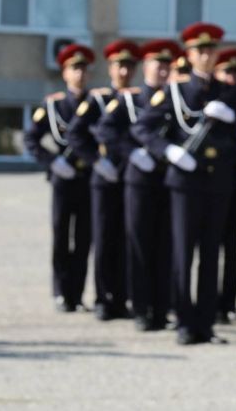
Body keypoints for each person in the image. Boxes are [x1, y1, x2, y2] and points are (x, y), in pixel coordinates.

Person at [132, 22, 236, 345]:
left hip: (218, 180)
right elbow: (143, 129)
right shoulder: (175, 92)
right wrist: (169, 151)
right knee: (183, 253)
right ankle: (184, 323)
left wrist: (233, 116)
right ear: (189, 55)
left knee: (211, 253)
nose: (206, 55)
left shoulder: (228, 92)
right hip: (185, 182)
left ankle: (206, 323)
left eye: (211, 50)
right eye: (200, 50)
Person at [97, 39, 181, 331]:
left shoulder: (176, 99)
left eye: (167, 66)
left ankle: (162, 308)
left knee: (165, 245)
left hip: (168, 179)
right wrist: (131, 153)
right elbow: (106, 129)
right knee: (140, 244)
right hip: (140, 180)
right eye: (158, 65)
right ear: (146, 67)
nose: (162, 71)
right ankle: (142, 308)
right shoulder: (131, 99)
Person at [67, 39, 138, 321]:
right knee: (104, 238)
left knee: (127, 239)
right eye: (119, 65)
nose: (124, 71)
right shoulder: (98, 100)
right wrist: (96, 161)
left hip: (130, 176)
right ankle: (104, 298)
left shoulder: (137, 98)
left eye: (129, 66)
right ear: (110, 68)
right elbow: (75, 134)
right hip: (105, 177)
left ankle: (123, 297)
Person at [25, 44, 95, 313]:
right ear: (65, 73)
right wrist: (52, 162)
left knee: (84, 238)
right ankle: (60, 292)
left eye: (83, 69)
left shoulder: (96, 103)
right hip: (63, 180)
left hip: (87, 178)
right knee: (61, 236)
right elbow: (31, 139)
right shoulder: (53, 105)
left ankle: (77, 295)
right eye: (74, 69)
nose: (79, 74)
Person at [213, 47, 236, 323]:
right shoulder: (211, 98)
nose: (232, 77)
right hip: (211, 179)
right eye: (227, 71)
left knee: (232, 247)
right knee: (210, 246)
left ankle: (228, 302)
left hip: (235, 180)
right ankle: (210, 302)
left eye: (235, 72)